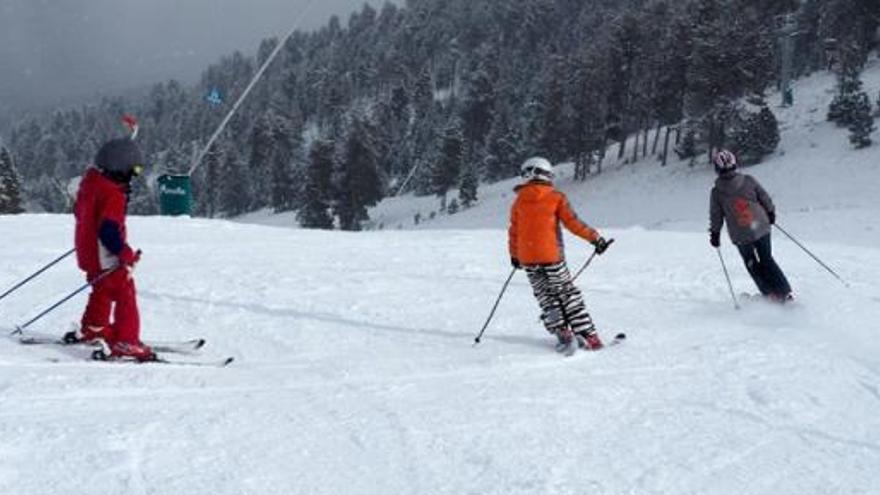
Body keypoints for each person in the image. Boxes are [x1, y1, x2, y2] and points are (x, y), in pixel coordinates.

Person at [508, 157, 611, 354]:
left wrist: (514, 256)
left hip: (528, 259)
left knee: (546, 297)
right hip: (552, 258)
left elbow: (514, 232)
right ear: (545, 175)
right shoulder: (556, 197)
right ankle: (590, 337)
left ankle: (563, 333)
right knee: (567, 295)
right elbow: (573, 223)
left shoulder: (518, 202)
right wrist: (595, 239)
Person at [66, 137, 154, 361]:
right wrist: (125, 254)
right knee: (125, 292)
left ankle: (93, 329)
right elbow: (108, 231)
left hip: (87, 253)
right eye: (132, 171)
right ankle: (127, 342)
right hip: (105, 256)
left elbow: (83, 215)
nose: (133, 177)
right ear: (120, 168)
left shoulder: (90, 183)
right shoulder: (112, 194)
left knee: (101, 289)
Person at [709, 149, 793, 302]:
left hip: (741, 234)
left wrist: (715, 234)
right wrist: (771, 213)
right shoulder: (749, 180)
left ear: (717, 169)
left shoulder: (717, 192)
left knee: (751, 263)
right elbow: (764, 197)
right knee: (767, 259)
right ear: (735, 164)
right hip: (761, 226)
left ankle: (770, 294)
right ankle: (784, 291)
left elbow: (716, 215)